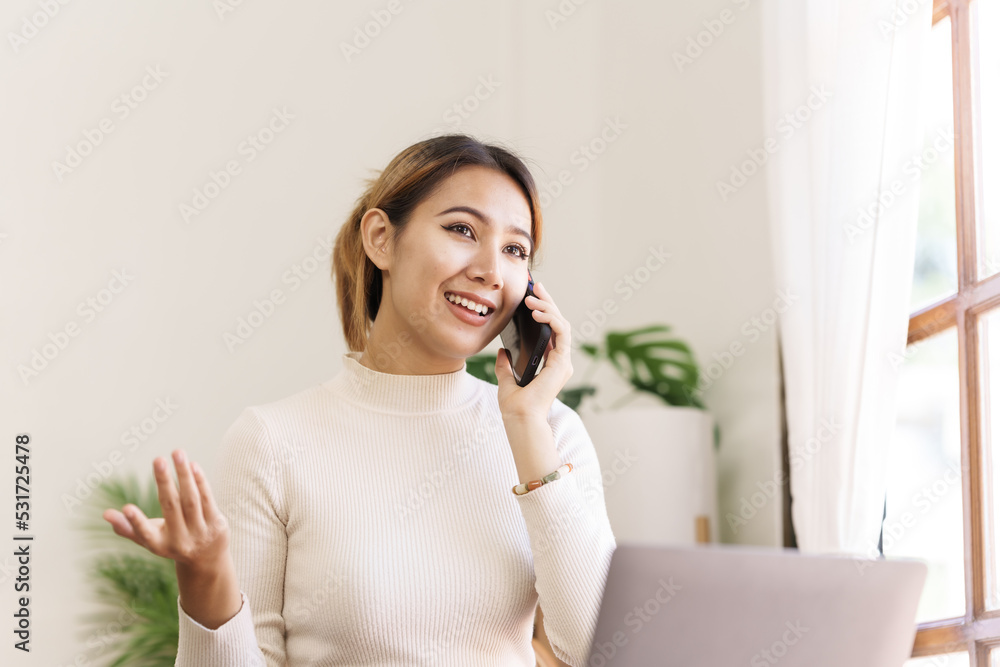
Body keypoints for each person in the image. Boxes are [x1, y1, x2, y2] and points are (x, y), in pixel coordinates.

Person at [102, 133, 617, 666]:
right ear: (381, 239)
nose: (490, 270)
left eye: (515, 250)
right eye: (462, 229)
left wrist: (527, 424)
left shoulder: (551, 434)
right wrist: (206, 576)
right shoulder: (271, 442)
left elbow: (598, 650)